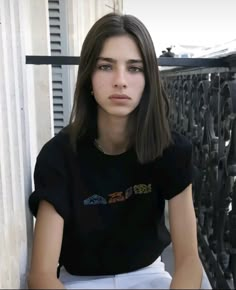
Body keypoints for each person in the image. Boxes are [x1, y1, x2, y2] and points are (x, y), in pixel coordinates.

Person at [28, 12, 203, 289]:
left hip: (149, 276)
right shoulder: (57, 156)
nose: (120, 80)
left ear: (148, 80)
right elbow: (41, 275)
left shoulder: (171, 150)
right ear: (88, 77)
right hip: (79, 282)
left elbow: (188, 261)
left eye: (134, 68)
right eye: (106, 67)